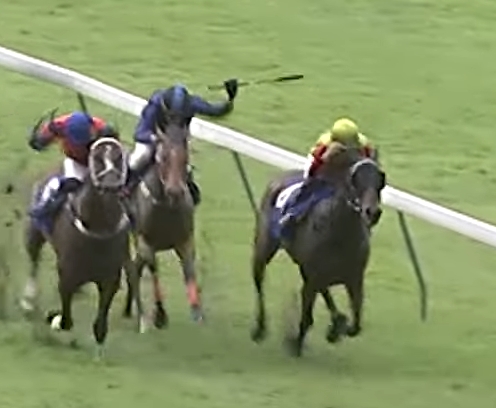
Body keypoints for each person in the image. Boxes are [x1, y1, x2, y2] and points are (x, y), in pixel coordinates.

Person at [125, 79, 239, 204]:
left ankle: (190, 191)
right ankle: (126, 187)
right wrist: (154, 138)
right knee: (138, 158)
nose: (175, 120)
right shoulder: (156, 102)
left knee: (184, 164)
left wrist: (230, 98)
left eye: (179, 116)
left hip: (178, 142)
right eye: (172, 116)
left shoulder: (192, 103)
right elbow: (141, 131)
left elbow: (216, 110)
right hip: (153, 137)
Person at [280, 117, 377, 228]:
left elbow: (369, 167)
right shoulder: (323, 147)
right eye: (345, 147)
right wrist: (326, 159)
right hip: (325, 175)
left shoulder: (364, 146)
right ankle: (292, 214)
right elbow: (312, 172)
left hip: (347, 179)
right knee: (311, 192)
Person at [28, 111, 119, 219]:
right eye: (78, 142)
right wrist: (39, 141)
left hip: (100, 161)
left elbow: (115, 149)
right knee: (69, 185)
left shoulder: (101, 127)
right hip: (76, 161)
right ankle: (45, 207)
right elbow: (43, 135)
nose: (80, 145)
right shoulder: (59, 125)